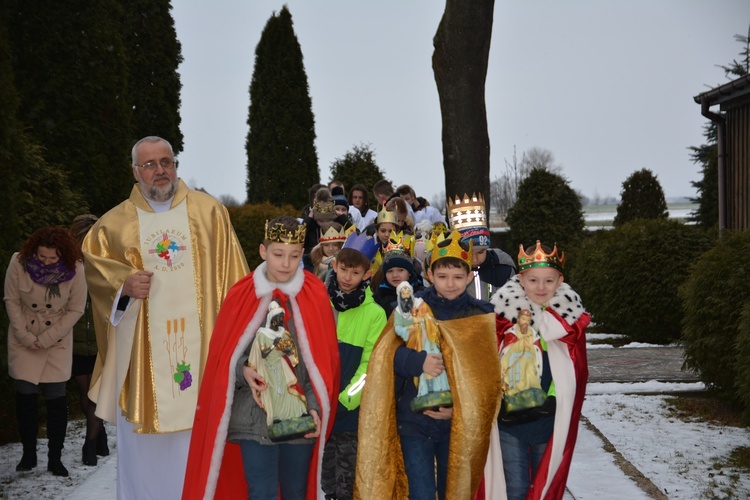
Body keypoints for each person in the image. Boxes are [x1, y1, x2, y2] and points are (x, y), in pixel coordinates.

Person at [82, 135, 249, 498]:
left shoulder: (209, 214)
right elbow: (96, 274)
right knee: (148, 465)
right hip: (144, 364)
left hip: (204, 358)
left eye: (166, 162)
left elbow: (236, 282)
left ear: (175, 164)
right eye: (150, 164)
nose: (160, 171)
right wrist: (122, 286)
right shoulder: (112, 226)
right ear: (135, 171)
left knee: (201, 447)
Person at [183, 216, 340, 499]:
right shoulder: (241, 295)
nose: (285, 263)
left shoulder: (314, 294)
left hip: (298, 416)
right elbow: (224, 358)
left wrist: (315, 406)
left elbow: (322, 365)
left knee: (295, 491)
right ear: (262, 251)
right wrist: (243, 371)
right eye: (278, 254)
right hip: (253, 418)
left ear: (302, 254)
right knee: (261, 492)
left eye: (294, 256)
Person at [355, 230, 502, 499]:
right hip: (414, 420)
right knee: (420, 492)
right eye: (443, 276)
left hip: (458, 425)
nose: (450, 283)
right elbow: (387, 355)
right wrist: (417, 361)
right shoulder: (413, 308)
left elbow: (487, 379)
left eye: (458, 277)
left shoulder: (481, 317)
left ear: (469, 276)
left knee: (455, 491)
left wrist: (456, 408)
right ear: (430, 275)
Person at [491, 240, 589, 500]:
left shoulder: (569, 321)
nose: (541, 287)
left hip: (548, 418)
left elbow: (574, 370)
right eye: (533, 280)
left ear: (560, 281)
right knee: (515, 488)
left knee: (543, 485)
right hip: (509, 419)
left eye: (549, 280)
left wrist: (557, 397)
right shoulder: (502, 317)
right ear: (520, 279)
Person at [4, 226, 87, 477]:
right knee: (26, 396)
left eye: (53, 258)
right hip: (24, 336)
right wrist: (26, 337)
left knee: (56, 398)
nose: (47, 262)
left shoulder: (76, 269)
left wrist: (48, 338)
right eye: (42, 257)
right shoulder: (18, 263)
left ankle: (55, 458)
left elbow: (76, 310)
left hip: (57, 339)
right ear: (34, 250)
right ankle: (28, 454)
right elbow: (11, 300)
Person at [321, 232, 386, 500]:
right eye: (344, 269)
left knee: (347, 481)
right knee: (326, 480)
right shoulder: (321, 303)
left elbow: (371, 365)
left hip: (349, 411)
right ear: (334, 265)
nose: (347, 277)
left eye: (355, 272)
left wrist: (347, 398)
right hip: (321, 406)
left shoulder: (375, 314)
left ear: (367, 274)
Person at [69, 214, 109, 467]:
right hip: (74, 341)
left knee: (95, 395)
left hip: (100, 340)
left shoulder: (106, 264)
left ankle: (89, 444)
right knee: (85, 393)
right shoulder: (67, 266)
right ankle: (100, 435)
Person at [447, 193, 515, 301]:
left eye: (480, 252)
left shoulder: (503, 268)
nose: (474, 259)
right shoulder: (447, 270)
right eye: (469, 253)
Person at [370, 231, 422, 318]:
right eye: (390, 271)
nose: (395, 275)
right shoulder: (379, 297)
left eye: (400, 270)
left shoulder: (421, 293)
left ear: (409, 272)